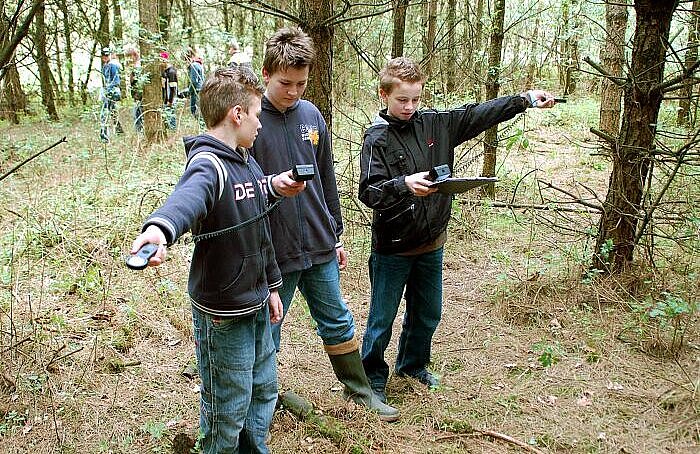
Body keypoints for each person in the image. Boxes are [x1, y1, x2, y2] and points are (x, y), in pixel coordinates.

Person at [358, 56, 556, 402]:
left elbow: (479, 114)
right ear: (384, 94)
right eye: (401, 99)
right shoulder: (377, 138)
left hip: (432, 243)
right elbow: (369, 192)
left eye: (415, 99)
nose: (409, 107)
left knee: (429, 311)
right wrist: (404, 184)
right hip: (393, 247)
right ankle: (372, 378)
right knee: (381, 319)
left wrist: (523, 100)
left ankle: (413, 366)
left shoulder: (436, 124)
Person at [129, 67, 306, 453]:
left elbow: (259, 232)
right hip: (224, 316)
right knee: (228, 408)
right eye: (257, 113)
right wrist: (159, 229)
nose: (261, 123)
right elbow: (188, 199)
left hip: (257, 302)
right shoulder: (209, 164)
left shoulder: (245, 161)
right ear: (237, 115)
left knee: (263, 392)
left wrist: (273, 287)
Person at [249, 27, 399, 422]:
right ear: (266, 74)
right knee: (268, 330)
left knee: (336, 317)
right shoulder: (250, 120)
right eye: (285, 83)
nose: (294, 91)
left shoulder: (311, 115)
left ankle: (361, 391)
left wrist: (335, 233)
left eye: (301, 83)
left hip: (318, 241)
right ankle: (265, 397)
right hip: (274, 250)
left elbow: (326, 176)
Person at [99, 47, 124, 142]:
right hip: (108, 92)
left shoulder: (113, 65)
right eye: (103, 55)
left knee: (104, 114)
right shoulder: (105, 66)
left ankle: (104, 136)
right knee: (113, 112)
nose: (105, 57)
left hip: (112, 92)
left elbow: (115, 81)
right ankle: (119, 131)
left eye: (107, 55)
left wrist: (108, 91)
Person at [124, 47, 144, 133]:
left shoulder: (138, 68)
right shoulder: (134, 68)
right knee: (136, 116)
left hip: (140, 98)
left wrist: (138, 97)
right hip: (136, 97)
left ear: (134, 56)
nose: (128, 59)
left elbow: (139, 84)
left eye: (129, 56)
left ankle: (140, 133)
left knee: (138, 116)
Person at [160, 51, 178, 130]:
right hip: (165, 99)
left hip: (170, 100)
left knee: (171, 118)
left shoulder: (171, 72)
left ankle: (173, 131)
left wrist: (170, 101)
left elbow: (173, 88)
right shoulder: (165, 72)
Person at [186, 48, 205, 119]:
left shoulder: (194, 65)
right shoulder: (199, 65)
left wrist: (190, 91)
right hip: (201, 90)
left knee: (196, 113)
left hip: (196, 91)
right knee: (201, 112)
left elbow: (194, 81)